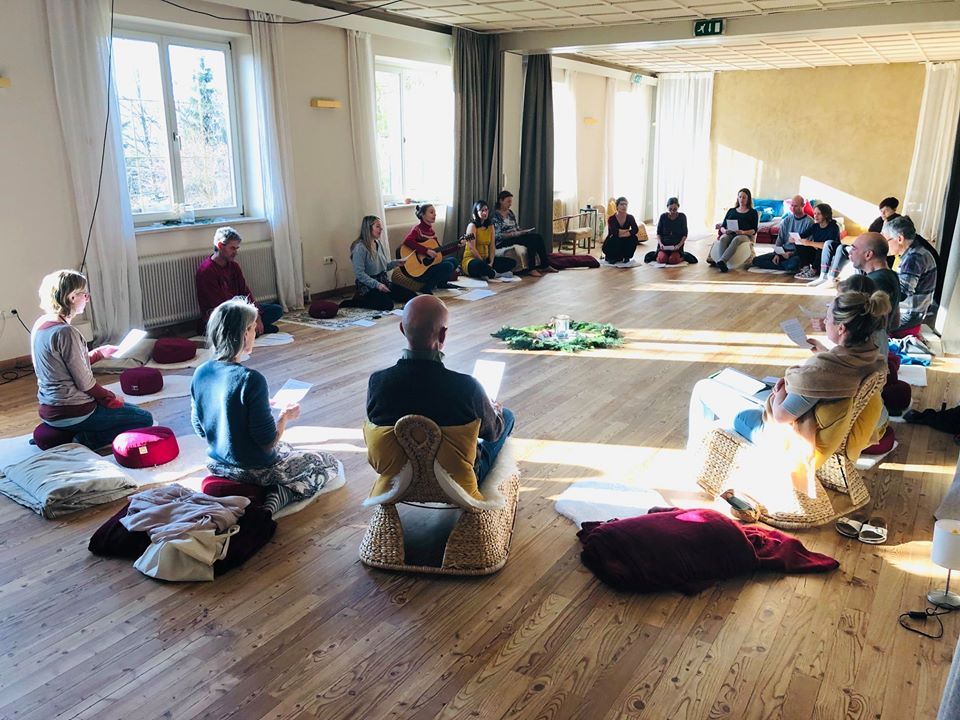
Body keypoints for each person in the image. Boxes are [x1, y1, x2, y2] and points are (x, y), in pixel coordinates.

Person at [688, 286, 889, 451]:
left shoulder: (822, 373)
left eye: (827, 318)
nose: (825, 321)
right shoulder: (871, 357)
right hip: (816, 427)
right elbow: (834, 376)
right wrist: (822, 353)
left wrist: (780, 391)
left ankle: (695, 455)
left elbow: (781, 417)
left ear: (841, 328)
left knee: (704, 387)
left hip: (783, 438)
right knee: (731, 381)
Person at [191, 298, 340, 516]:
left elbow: (200, 428)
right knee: (325, 463)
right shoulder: (251, 379)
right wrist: (284, 418)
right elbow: (268, 441)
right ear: (243, 334)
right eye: (252, 328)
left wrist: (251, 407)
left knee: (288, 449)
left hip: (216, 463)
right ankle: (281, 495)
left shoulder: (200, 372)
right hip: (254, 470)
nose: (255, 333)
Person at [366, 295, 514, 485]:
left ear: (402, 329)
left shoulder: (378, 382)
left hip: (399, 475)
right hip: (456, 479)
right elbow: (492, 433)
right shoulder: (467, 387)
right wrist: (494, 411)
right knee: (507, 417)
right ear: (443, 334)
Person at [31, 270, 153, 449]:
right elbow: (85, 383)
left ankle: (70, 434)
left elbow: (65, 367)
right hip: (73, 410)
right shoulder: (66, 332)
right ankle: (82, 441)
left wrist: (99, 353)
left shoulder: (41, 324)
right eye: (84, 294)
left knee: (131, 410)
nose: (87, 299)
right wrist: (109, 397)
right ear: (72, 297)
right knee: (144, 418)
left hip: (49, 407)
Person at [195, 227, 283, 335]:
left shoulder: (234, 266)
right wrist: (247, 316)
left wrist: (257, 315)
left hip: (240, 311)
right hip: (223, 315)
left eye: (237, 248)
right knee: (231, 319)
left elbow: (245, 292)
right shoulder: (206, 271)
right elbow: (221, 306)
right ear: (220, 246)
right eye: (232, 248)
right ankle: (247, 330)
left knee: (276, 310)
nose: (236, 252)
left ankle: (247, 330)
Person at [883, 215, 938, 336]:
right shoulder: (914, 252)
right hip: (912, 311)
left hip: (909, 315)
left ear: (900, 239)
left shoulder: (914, 258)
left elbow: (901, 294)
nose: (885, 245)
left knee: (867, 324)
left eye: (887, 240)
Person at [342, 216, 403, 311]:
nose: (381, 229)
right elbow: (360, 274)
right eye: (378, 226)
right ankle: (357, 301)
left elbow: (384, 267)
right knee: (387, 305)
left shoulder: (378, 243)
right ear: (368, 228)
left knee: (411, 296)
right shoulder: (359, 248)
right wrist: (377, 285)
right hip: (368, 286)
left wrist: (396, 263)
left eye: (381, 226)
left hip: (383, 282)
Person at [491, 190, 557, 276]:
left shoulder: (510, 213)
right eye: (508, 201)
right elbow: (497, 235)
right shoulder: (495, 216)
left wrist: (521, 231)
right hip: (503, 241)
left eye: (511, 202)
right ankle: (531, 268)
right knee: (531, 240)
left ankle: (544, 265)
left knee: (538, 237)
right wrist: (513, 234)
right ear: (501, 201)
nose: (510, 204)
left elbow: (516, 227)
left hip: (515, 236)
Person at [398, 204, 459, 296]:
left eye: (435, 212)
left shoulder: (431, 232)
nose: (435, 215)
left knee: (453, 261)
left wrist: (457, 246)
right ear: (423, 215)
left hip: (429, 267)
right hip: (419, 270)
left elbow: (440, 252)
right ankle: (426, 287)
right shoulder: (417, 230)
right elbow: (407, 241)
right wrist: (426, 251)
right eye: (431, 212)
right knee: (448, 266)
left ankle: (442, 284)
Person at [848, 232, 900, 331]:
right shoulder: (892, 275)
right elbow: (895, 322)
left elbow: (859, 325)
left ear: (868, 254)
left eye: (854, 248)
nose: (850, 253)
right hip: (880, 340)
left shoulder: (873, 283)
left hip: (869, 343)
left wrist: (830, 324)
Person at [751, 195, 813, 273]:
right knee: (756, 260)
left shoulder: (809, 222)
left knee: (793, 264)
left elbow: (807, 245)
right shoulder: (787, 220)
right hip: (783, 252)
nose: (793, 208)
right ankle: (785, 266)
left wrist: (791, 254)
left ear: (802, 205)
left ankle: (786, 266)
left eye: (796, 206)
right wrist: (778, 254)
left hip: (797, 253)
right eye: (792, 205)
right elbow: (780, 239)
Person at [463, 200, 517, 280]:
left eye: (486, 210)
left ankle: (488, 272)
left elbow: (492, 246)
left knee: (512, 262)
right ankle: (495, 274)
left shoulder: (490, 226)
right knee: (479, 265)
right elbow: (472, 248)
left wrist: (491, 262)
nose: (484, 213)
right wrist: (483, 262)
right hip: (472, 259)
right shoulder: (472, 226)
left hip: (486, 259)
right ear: (476, 212)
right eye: (482, 210)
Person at [710, 188, 759, 272]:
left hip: (745, 235)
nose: (741, 199)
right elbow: (723, 226)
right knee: (723, 238)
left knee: (737, 239)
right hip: (730, 233)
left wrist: (743, 232)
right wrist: (725, 231)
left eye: (744, 197)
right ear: (737, 198)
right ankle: (723, 263)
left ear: (748, 199)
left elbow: (754, 230)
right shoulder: (731, 211)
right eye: (740, 197)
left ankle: (722, 261)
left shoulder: (753, 212)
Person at [793, 203, 841, 285]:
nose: (815, 216)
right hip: (817, 255)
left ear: (825, 215)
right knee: (800, 243)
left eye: (819, 214)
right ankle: (805, 267)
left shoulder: (834, 227)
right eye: (814, 213)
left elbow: (828, 246)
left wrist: (810, 243)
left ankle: (814, 270)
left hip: (830, 256)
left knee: (820, 248)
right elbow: (802, 235)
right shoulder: (815, 226)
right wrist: (794, 238)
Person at [602, 196, 641, 266]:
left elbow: (635, 229)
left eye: (626, 204)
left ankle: (626, 256)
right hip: (613, 240)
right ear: (617, 206)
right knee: (615, 238)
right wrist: (627, 230)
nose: (624, 206)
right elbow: (614, 231)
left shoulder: (630, 217)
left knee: (634, 238)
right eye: (622, 204)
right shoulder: (611, 218)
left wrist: (624, 233)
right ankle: (612, 257)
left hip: (624, 239)